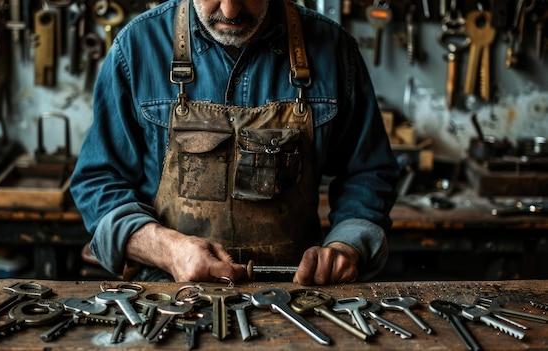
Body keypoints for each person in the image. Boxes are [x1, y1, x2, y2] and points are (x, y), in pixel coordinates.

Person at [70, 0, 399, 285]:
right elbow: (98, 182)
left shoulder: (334, 51)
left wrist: (345, 247)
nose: (230, 10)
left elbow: (368, 173)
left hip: (298, 292)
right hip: (169, 294)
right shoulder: (138, 48)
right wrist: (166, 249)